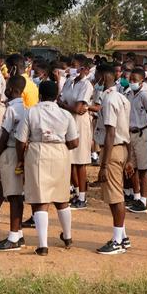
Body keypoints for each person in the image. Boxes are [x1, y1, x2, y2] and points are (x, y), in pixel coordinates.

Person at [16, 79, 78, 256]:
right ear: (57, 96)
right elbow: (74, 142)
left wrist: (21, 159)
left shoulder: (31, 112)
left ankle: (43, 245)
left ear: (40, 95)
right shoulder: (65, 114)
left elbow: (21, 141)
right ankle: (67, 236)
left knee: (40, 200)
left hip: (38, 152)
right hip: (60, 153)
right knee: (61, 198)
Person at [94, 67, 133, 254]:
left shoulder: (109, 99)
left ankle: (117, 241)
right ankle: (123, 236)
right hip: (122, 148)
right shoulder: (122, 98)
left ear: (102, 77)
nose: (95, 81)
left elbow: (110, 133)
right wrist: (130, 157)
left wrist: (103, 165)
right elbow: (128, 129)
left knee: (116, 196)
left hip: (112, 150)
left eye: (96, 77)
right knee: (115, 195)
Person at [0, 76, 29, 251]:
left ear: (13, 90)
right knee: (17, 195)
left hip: (10, 151)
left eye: (7, 87)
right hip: (19, 152)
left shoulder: (12, 110)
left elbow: (4, 136)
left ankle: (13, 237)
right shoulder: (26, 108)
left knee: (13, 196)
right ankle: (18, 234)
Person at [60, 59, 95, 209]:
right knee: (70, 160)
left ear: (85, 69)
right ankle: (75, 191)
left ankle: (82, 196)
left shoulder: (86, 85)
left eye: (75, 67)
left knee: (80, 162)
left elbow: (79, 108)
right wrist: (68, 106)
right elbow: (63, 100)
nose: (72, 69)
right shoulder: (69, 82)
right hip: (68, 123)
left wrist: (63, 105)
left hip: (80, 124)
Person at [125, 67, 147, 213]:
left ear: (142, 81)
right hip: (130, 132)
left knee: (143, 168)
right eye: (130, 80)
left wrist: (143, 127)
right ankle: (136, 196)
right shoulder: (129, 94)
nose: (132, 82)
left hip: (141, 132)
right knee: (133, 167)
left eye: (134, 80)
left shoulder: (145, 95)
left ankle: (143, 199)